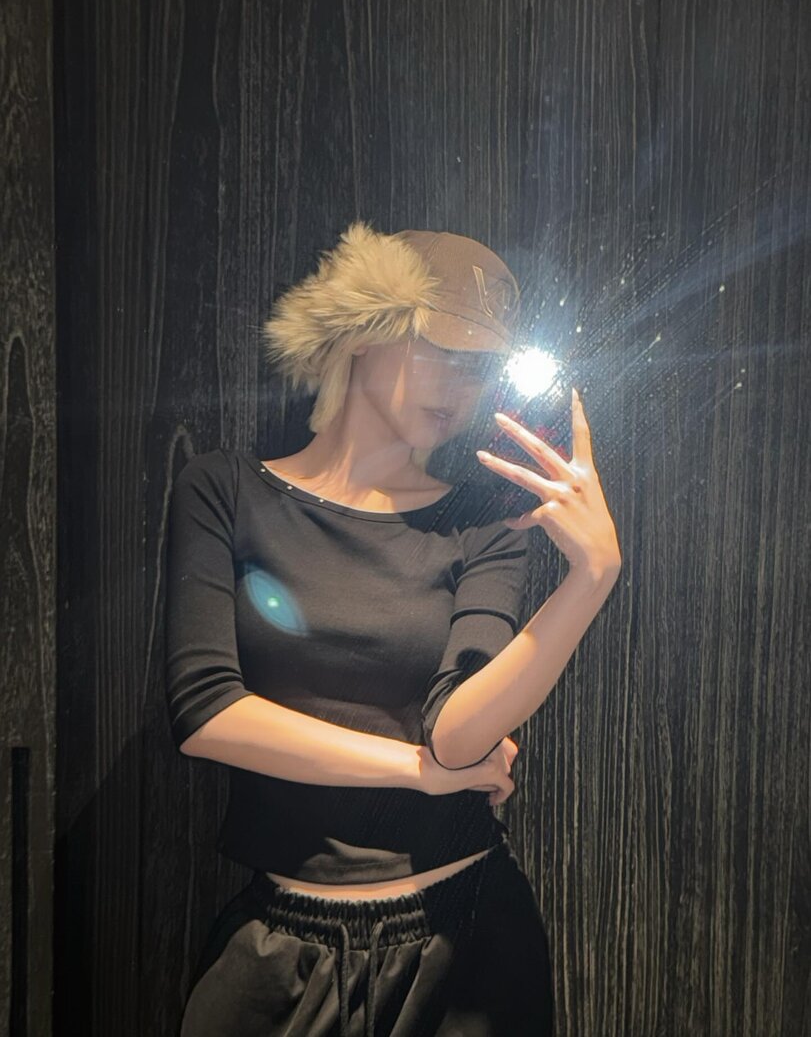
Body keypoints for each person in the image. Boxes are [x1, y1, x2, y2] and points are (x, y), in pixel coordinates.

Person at [164, 221, 622, 1036]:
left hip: (466, 944)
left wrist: (589, 580)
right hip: (279, 950)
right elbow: (206, 713)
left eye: (479, 367)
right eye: (439, 350)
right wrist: (416, 772)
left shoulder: (480, 521)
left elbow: (457, 735)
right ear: (363, 332)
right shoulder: (225, 490)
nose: (460, 385)